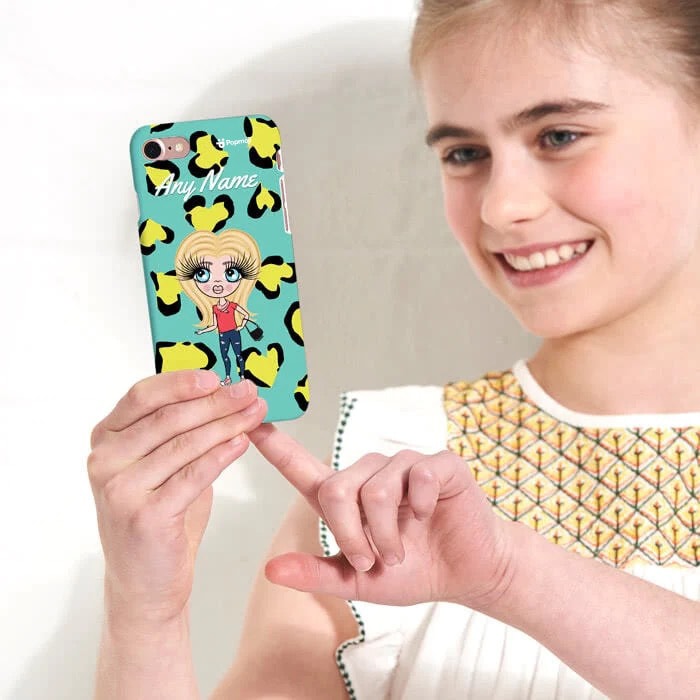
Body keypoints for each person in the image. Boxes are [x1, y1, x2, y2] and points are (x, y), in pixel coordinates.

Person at [88, 0, 700, 697]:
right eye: (464, 154)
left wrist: (512, 576)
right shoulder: (383, 484)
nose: (502, 207)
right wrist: (144, 615)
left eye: (560, 136)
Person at [175, 228, 261, 386]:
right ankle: (228, 377)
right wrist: (202, 331)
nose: (217, 282)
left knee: (238, 355)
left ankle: (242, 377)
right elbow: (214, 325)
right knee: (225, 356)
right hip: (223, 335)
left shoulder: (233, 305)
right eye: (202, 274)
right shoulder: (215, 308)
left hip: (234, 333)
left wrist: (241, 325)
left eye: (231, 273)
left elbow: (245, 315)